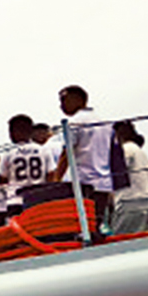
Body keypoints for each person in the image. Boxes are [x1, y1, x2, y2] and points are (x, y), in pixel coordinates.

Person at [53, 85, 115, 224]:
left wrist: (56, 180)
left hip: (83, 182)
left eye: (63, 101)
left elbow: (67, 153)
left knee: (83, 223)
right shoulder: (104, 122)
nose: (61, 106)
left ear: (77, 100)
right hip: (104, 182)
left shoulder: (75, 122)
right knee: (97, 221)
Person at [0, 113, 54, 215]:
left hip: (15, 200)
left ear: (15, 132)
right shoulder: (43, 150)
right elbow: (51, 175)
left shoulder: (9, 154)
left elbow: (2, 179)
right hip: (39, 199)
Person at [112, 121, 148, 234]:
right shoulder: (141, 153)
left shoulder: (126, 150)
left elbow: (119, 168)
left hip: (131, 201)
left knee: (122, 239)